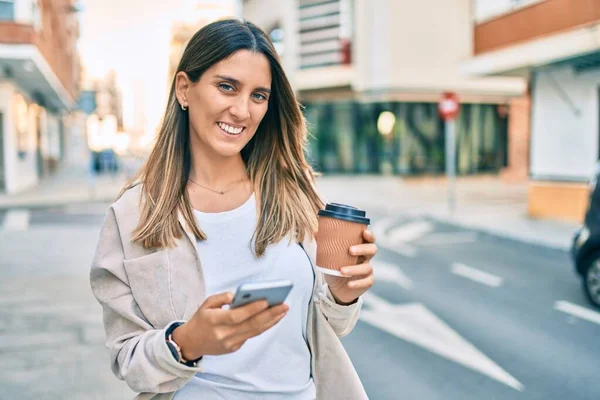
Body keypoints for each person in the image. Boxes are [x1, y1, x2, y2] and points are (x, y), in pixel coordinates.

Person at [90, 18, 377, 400]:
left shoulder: (296, 193)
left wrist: (342, 294)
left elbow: (325, 329)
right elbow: (128, 359)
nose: (243, 111)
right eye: (227, 87)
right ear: (184, 90)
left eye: (259, 96)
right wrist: (186, 341)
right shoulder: (134, 214)